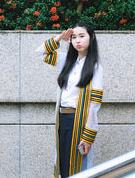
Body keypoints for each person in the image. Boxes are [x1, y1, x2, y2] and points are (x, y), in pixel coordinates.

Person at [35, 22, 103, 178]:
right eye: (73, 37)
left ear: (91, 38)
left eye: (81, 36)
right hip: (62, 119)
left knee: (77, 165)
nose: (77, 40)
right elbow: (39, 53)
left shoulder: (95, 67)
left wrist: (88, 136)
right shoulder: (66, 61)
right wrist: (59, 38)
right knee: (63, 162)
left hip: (79, 121)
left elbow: (94, 104)